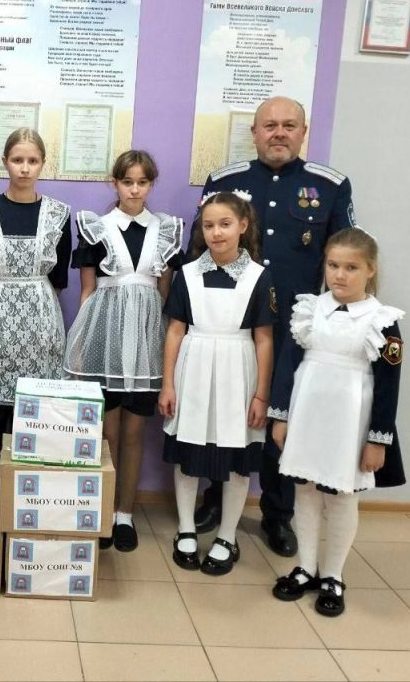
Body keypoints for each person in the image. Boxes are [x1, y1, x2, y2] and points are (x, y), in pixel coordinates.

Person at [194, 96, 354, 557]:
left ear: (303, 131)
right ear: (255, 133)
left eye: (288, 125)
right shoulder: (226, 181)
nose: (279, 133)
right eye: (269, 125)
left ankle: (277, 513)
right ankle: (215, 498)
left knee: (282, 417)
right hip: (232, 323)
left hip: (292, 327)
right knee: (224, 409)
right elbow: (198, 251)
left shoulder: (328, 185)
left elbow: (344, 254)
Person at [271, 228, 405, 617]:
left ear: (370, 270)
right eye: (333, 265)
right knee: (305, 490)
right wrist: (280, 416)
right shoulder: (308, 310)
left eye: (351, 267)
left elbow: (389, 385)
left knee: (342, 497)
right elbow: (287, 367)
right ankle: (306, 567)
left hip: (350, 422)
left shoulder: (382, 321)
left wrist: (378, 439)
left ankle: (333, 575)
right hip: (307, 413)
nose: (340, 275)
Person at [63, 150, 183, 552]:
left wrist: (160, 350)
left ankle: (125, 514)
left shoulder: (165, 230)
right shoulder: (95, 227)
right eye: (127, 181)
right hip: (104, 342)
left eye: (142, 182)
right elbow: (87, 292)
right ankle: (100, 511)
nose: (134, 189)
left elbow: (163, 295)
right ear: (114, 183)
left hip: (145, 345)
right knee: (107, 431)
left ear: (151, 184)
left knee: (134, 433)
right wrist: (84, 347)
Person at [159, 192, 274, 576]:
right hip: (193, 369)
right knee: (189, 452)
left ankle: (227, 535)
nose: (216, 233)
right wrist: (168, 384)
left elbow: (264, 339)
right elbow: (175, 330)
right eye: (208, 225)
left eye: (225, 224)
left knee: (238, 457)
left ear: (243, 225)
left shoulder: (258, 276)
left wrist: (261, 394)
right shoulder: (189, 273)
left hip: (238, 372)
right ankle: (186, 528)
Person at [0, 128, 71, 438]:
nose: (25, 168)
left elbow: (59, 278)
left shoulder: (58, 215)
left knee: (34, 420)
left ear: (43, 163)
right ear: (5, 161)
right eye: (17, 160)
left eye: (32, 161)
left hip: (41, 328)